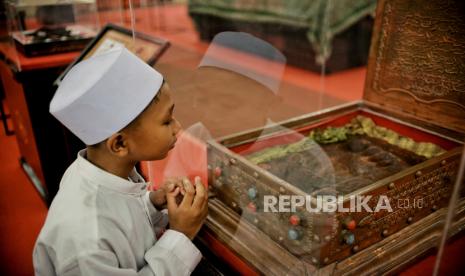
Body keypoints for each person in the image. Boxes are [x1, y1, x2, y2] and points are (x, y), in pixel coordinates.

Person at [33, 47, 208, 275]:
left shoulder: (96, 172)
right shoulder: (85, 239)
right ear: (120, 145)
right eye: (166, 121)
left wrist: (152, 203)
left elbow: (118, 216)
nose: (178, 128)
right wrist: (181, 235)